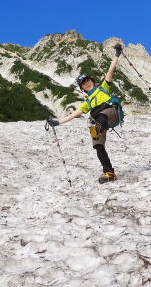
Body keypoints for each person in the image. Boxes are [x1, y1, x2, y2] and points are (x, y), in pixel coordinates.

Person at [47, 43, 123, 183]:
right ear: (82, 88)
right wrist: (57, 122)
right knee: (98, 146)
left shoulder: (102, 87)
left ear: (92, 81)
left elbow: (111, 70)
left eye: (88, 80)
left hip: (112, 112)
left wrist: (117, 55)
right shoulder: (87, 103)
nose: (86, 83)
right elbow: (74, 114)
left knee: (100, 117)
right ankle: (109, 173)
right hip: (99, 121)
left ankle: (99, 126)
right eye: (83, 83)